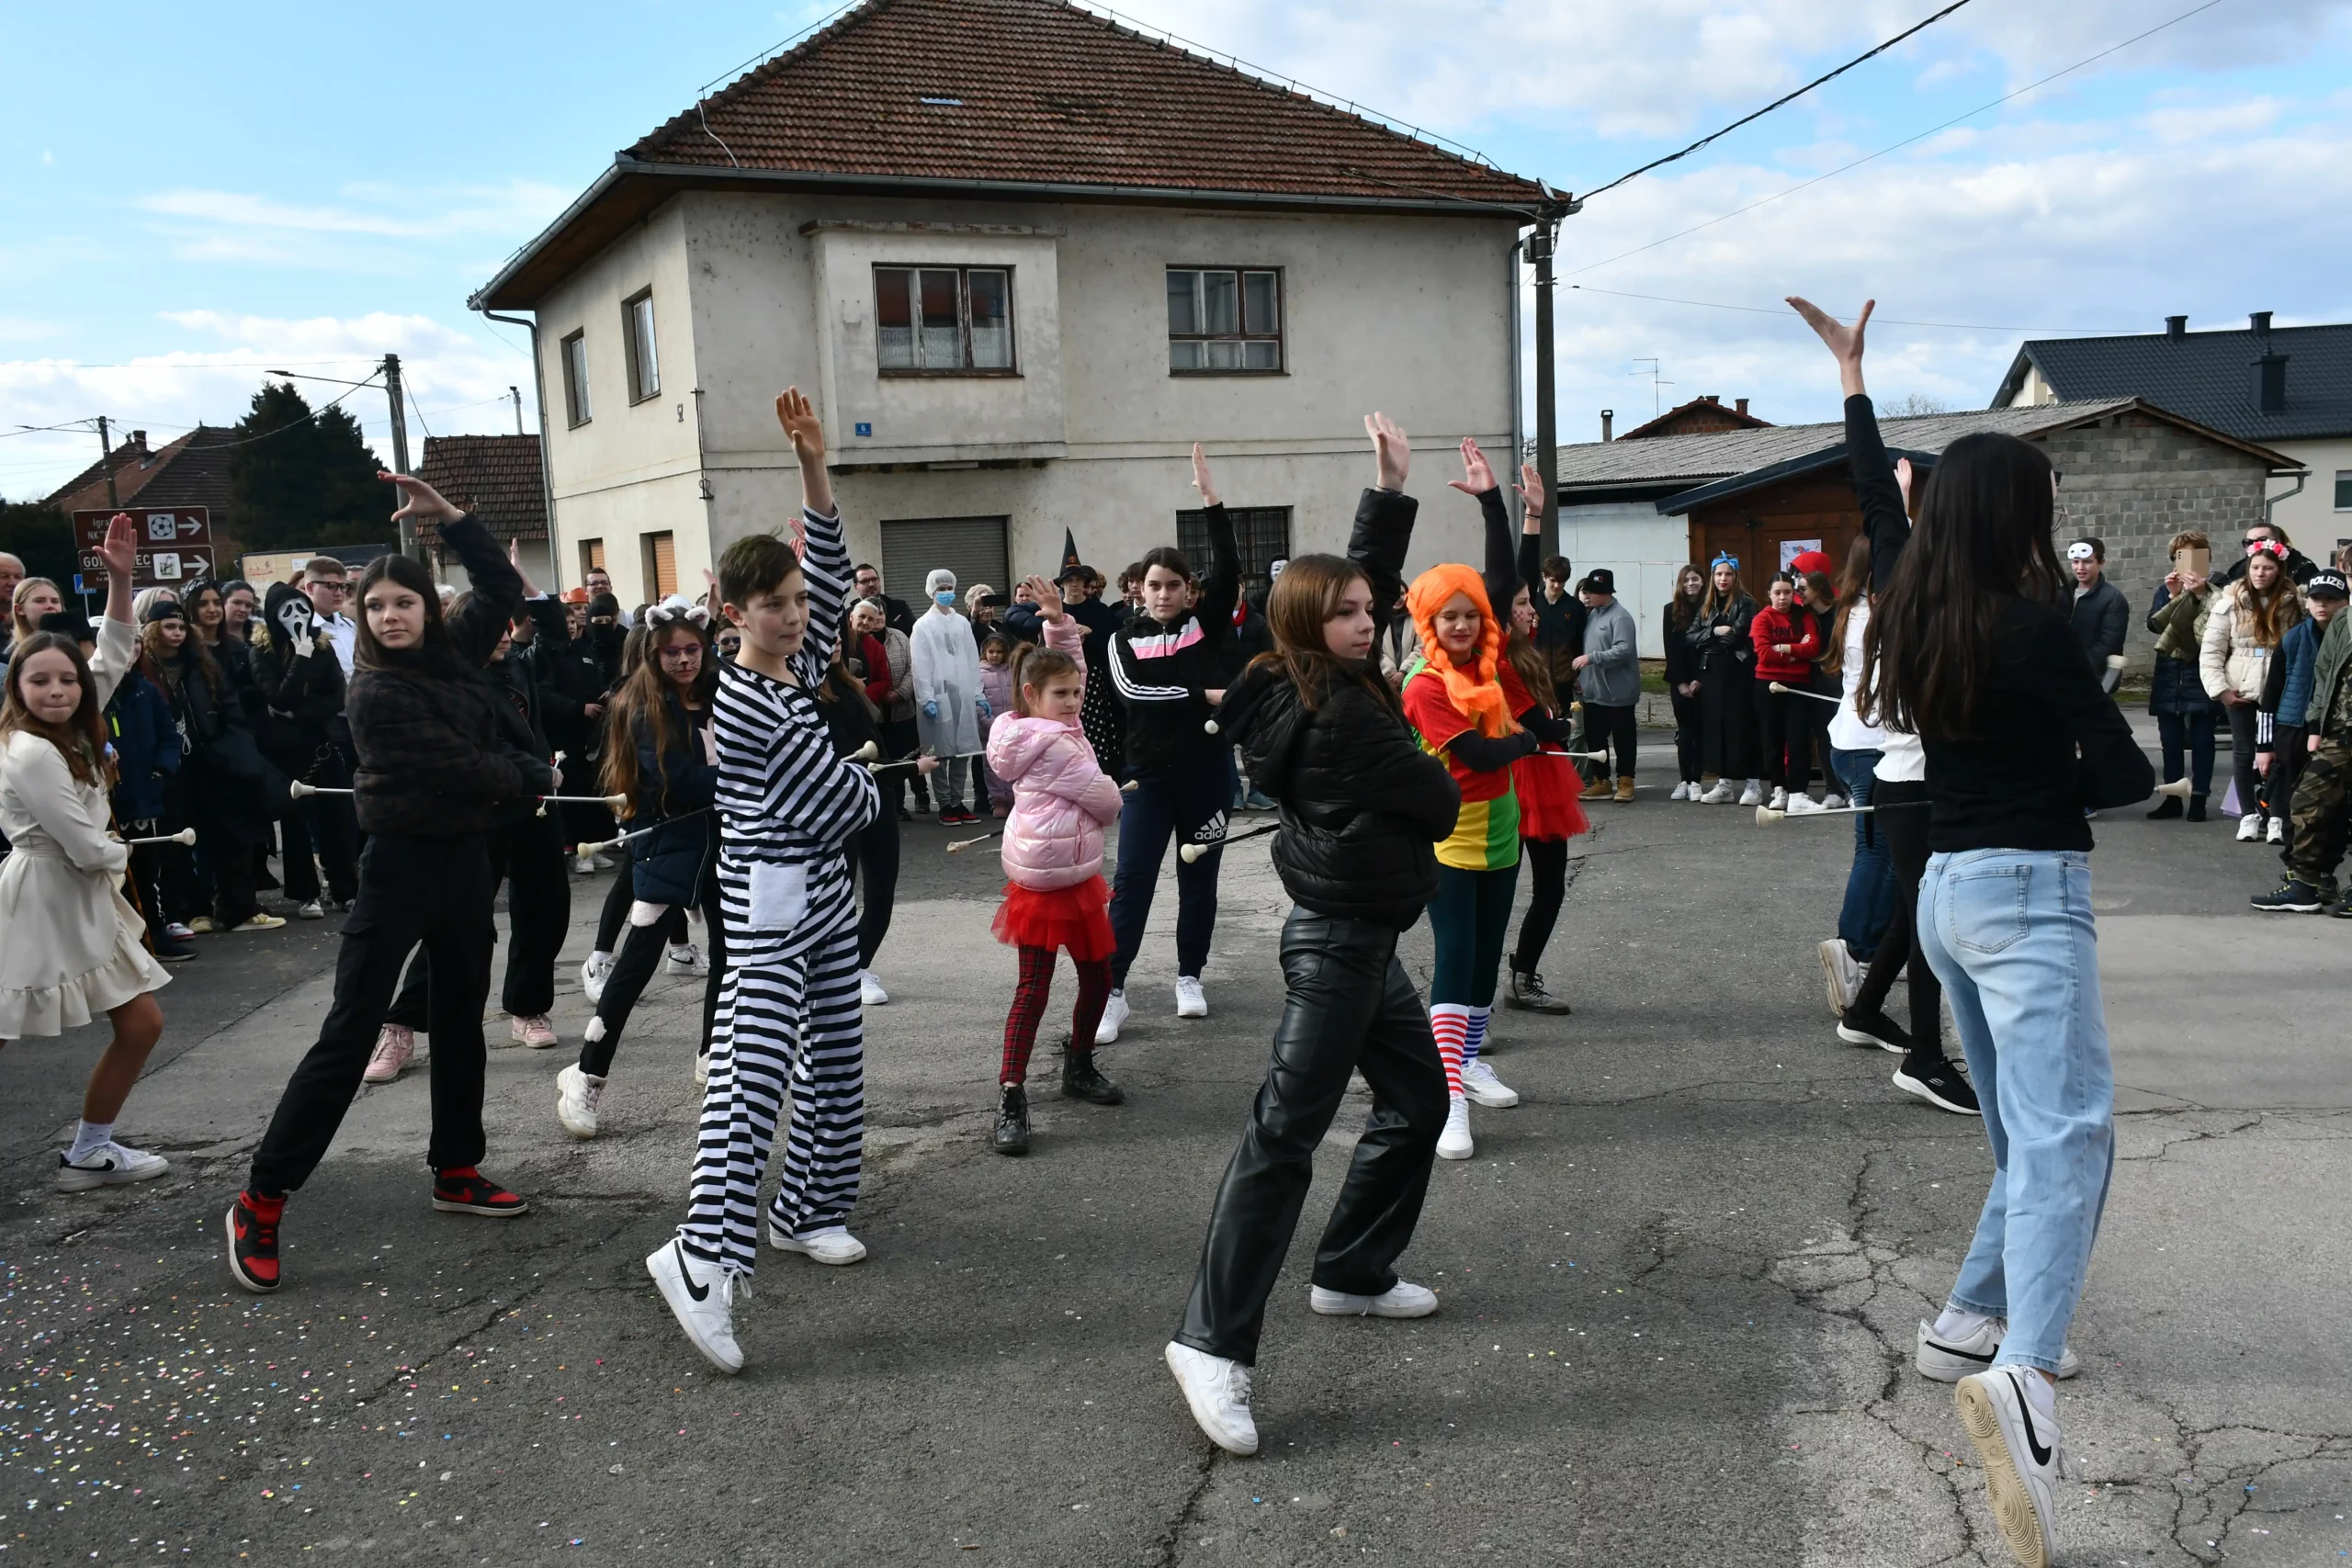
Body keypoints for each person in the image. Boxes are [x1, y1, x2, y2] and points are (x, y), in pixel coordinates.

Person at [1794, 293, 2152, 1568]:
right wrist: (2080, 726)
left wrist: (1851, 380)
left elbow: (1879, 509)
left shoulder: (1907, 600)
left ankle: (1963, 1320)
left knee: (2026, 1138)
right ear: (2026, 523)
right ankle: (2027, 1379)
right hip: (2025, 892)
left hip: (1943, 891)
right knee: (2073, 1140)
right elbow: (2120, 779)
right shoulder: (2038, 622)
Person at [1163, 415, 1461, 1457]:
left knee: (1419, 1101)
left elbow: (1349, 581)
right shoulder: (1343, 715)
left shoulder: (1291, 674)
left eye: (1369, 610)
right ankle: (1211, 1345)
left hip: (1361, 940)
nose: (1365, 620)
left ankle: (1350, 1271)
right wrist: (1427, 778)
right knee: (1282, 1139)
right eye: (1345, 614)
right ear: (1308, 623)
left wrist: (1385, 493)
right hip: (1336, 945)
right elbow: (1433, 798)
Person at [225, 473, 555, 1294]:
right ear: (362, 619)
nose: (390, 615)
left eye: (402, 602)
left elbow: (501, 585)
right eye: (375, 608)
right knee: (348, 1034)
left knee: (460, 1020)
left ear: (426, 609)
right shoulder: (372, 689)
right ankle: (261, 1197)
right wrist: (525, 773)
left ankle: (456, 1167)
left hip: (465, 864)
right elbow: (455, 769)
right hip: (399, 867)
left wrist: (450, 518)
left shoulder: (459, 649)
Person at [645, 389, 882, 1375]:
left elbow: (826, 570)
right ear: (728, 615)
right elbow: (845, 809)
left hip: (815, 888)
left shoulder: (792, 660)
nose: (794, 615)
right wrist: (863, 785)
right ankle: (701, 1257)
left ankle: (807, 1208)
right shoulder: (748, 706)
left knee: (834, 1049)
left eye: (795, 604)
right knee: (749, 1076)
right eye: (773, 606)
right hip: (772, 894)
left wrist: (814, 468)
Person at [0, 514, 179, 1189]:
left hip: (81, 894)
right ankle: (89, 1149)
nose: (56, 690)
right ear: (17, 687)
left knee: (141, 1024)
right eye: (38, 681)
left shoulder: (78, 721)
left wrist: (122, 579)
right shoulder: (26, 751)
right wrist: (117, 853)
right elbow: (79, 842)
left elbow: (112, 649)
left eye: (65, 681)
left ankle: (90, 1148)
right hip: (42, 896)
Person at [554, 597, 729, 1136]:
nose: (683, 661)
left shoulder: (723, 693)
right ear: (654, 653)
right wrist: (749, 780)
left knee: (729, 958)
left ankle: (710, 1058)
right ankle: (585, 1076)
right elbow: (672, 777)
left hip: (725, 842)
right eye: (671, 652)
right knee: (633, 970)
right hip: (666, 844)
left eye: (692, 650)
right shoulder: (643, 705)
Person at [1401, 534, 1549, 1159]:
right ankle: (1448, 1096)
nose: (1462, 624)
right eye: (1448, 615)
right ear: (1428, 621)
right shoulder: (1423, 683)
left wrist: (1511, 508)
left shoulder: (1487, 667)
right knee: (1456, 957)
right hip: (1449, 837)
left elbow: (1534, 715)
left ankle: (1468, 1064)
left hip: (1501, 830)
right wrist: (1527, 742)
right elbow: (1483, 752)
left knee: (1488, 957)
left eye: (1471, 614)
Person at [1094, 446, 1239, 1043]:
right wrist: (1204, 695)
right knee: (1132, 880)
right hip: (1146, 779)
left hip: (1208, 776)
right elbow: (1134, 695)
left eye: (1172, 585)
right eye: (1152, 585)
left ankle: (1190, 975)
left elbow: (1230, 564)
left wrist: (1212, 503)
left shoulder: (1205, 624)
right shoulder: (1119, 641)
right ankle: (1113, 989)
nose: (1161, 594)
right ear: (1137, 588)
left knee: (1199, 880)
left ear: (1188, 590)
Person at [983, 586, 1125, 1155]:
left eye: (1075, 693)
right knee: (1037, 989)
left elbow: (1076, 671)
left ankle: (1078, 1064)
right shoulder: (1058, 746)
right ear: (1030, 696)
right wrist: (1110, 792)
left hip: (1070, 873)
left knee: (1094, 978)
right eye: (1061, 695)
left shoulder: (1046, 724)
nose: (1073, 702)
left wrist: (1060, 624)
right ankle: (1013, 1096)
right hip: (1048, 883)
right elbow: (1108, 803)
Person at [1490, 460, 1588, 1014]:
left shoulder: (1523, 651)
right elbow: (1533, 724)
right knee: (1517, 889)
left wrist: (1534, 513)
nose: (1530, 610)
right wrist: (1526, 519)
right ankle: (1509, 979)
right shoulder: (1500, 656)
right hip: (1521, 776)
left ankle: (1521, 974)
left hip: (1542, 772)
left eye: (1531, 603)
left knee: (1547, 887)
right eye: (1522, 606)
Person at [140, 589, 283, 935]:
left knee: (230, 837)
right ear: (151, 630)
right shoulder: (143, 668)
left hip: (212, 759)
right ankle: (191, 911)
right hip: (169, 766)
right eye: (168, 626)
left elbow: (230, 709)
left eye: (180, 626)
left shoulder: (202, 665)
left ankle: (237, 909)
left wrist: (232, 746)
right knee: (178, 842)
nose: (176, 633)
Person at [1819, 536, 1894, 1014]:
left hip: (1854, 742)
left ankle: (1872, 949)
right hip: (1869, 746)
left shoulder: (1855, 609)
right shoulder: (1874, 615)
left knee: (1881, 852)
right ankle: (1854, 949)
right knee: (1877, 854)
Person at [251, 582, 358, 918]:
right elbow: (277, 695)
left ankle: (344, 888)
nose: (297, 617)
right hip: (285, 749)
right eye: (288, 611)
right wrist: (300, 656)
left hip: (323, 742)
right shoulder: (261, 651)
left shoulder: (323, 646)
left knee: (337, 819)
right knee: (296, 823)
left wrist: (299, 712)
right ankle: (305, 893)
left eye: (301, 609)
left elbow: (336, 696)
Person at [2255, 572, 2352, 913]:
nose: (2322, 605)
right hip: (2315, 730)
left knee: (2339, 813)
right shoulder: (2300, 637)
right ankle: (2303, 881)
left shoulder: (2342, 628)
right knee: (2304, 801)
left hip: (2336, 730)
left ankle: (2324, 877)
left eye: (2331, 599)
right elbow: (2279, 691)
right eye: (2316, 598)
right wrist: (2267, 744)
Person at [104, 606, 193, 963]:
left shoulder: (144, 690)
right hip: (111, 799)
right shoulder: (93, 695)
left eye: (137, 644)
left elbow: (169, 735)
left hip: (146, 795)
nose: (133, 651)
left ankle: (154, 934)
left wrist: (162, 771)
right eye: (125, 645)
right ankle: (123, 945)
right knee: (115, 877)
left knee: (147, 871)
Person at [2202, 538, 2302, 842]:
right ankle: (2248, 814)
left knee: (2280, 754)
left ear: (2280, 569)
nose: (2260, 574)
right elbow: (2212, 650)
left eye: (2268, 568)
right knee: (2243, 753)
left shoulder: (2295, 603)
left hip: (2280, 690)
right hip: (2241, 688)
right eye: (2256, 567)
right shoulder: (2229, 601)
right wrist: (2221, 690)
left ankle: (2276, 815)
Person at [2145, 534, 2219, 822]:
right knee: (2170, 742)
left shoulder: (2217, 591)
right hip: (2169, 673)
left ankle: (2199, 797)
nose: (2185, 563)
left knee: (2203, 740)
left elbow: (2209, 630)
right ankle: (2172, 799)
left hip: (2202, 671)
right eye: (2179, 556)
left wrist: (2199, 594)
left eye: (2192, 556)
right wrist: (2175, 596)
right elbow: (2155, 625)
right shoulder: (2166, 591)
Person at [911, 568, 985, 825]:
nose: (945, 593)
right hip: (939, 695)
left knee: (962, 750)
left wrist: (978, 693)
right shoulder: (923, 625)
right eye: (940, 589)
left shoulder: (962, 622)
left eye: (949, 588)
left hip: (962, 694)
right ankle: (944, 804)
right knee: (941, 753)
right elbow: (920, 665)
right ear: (932, 591)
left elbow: (972, 658)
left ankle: (958, 800)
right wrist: (927, 697)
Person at [1750, 572, 1824, 810]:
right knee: (1772, 739)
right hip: (1767, 684)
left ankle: (1798, 793)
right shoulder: (1762, 619)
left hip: (1798, 685)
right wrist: (1796, 651)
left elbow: (1813, 647)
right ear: (1769, 594)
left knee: (1798, 739)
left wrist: (1782, 648)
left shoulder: (1804, 616)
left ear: (1794, 593)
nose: (1783, 598)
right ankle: (1779, 789)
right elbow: (1764, 654)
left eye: (1787, 592)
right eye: (1777, 593)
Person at [1691, 557, 1760, 804]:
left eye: (1728, 574)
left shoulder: (1746, 603)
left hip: (1738, 670)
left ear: (1736, 576)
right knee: (1716, 728)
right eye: (1719, 574)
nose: (1723, 579)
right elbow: (1691, 636)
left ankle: (1753, 784)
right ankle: (1724, 784)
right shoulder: (1706, 605)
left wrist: (1709, 639)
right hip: (1712, 672)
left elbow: (1738, 635)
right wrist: (1714, 631)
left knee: (1742, 726)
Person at [1571, 569, 1639, 802]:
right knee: (1595, 739)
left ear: (1607, 593)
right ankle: (1602, 780)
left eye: (1594, 592)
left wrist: (1592, 658)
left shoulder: (1621, 617)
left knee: (1623, 739)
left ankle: (1625, 781)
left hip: (1619, 693)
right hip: (1593, 693)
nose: (1588, 596)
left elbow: (1623, 650)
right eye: (1587, 591)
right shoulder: (1592, 615)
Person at [1663, 565, 1708, 799]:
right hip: (1678, 681)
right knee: (1684, 731)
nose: (1691, 583)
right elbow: (1670, 650)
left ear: (1702, 582)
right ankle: (1684, 780)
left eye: (1695, 579)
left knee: (1699, 732)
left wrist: (1699, 679)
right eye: (1687, 580)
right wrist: (1680, 682)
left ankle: (1697, 780)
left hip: (1702, 679)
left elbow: (1708, 648)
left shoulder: (1709, 610)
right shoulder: (1670, 610)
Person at [2066, 538, 2128, 694]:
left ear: (2101, 563)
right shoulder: (2062, 593)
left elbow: (2109, 641)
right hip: (2062, 675)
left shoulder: (2113, 598)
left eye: (2087, 562)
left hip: (2095, 678)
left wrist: (2080, 666)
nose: (2080, 568)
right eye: (2076, 562)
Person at [976, 630, 1017, 816]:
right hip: (990, 728)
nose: (995, 655)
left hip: (1013, 728)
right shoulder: (979, 674)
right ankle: (998, 800)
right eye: (991, 651)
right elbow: (977, 702)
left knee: (1014, 761)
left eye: (999, 652)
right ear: (985, 652)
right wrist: (990, 724)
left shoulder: (1013, 672)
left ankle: (1013, 798)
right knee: (992, 765)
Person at [845, 563, 915, 640]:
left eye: (874, 579)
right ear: (856, 587)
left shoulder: (899, 607)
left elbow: (913, 634)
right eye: (865, 581)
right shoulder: (848, 614)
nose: (871, 584)